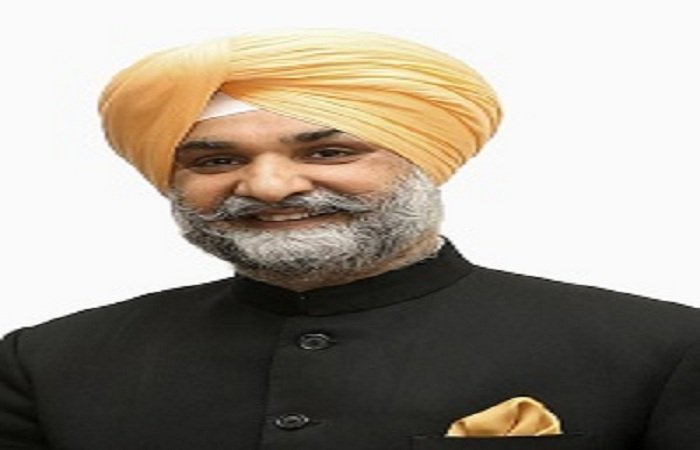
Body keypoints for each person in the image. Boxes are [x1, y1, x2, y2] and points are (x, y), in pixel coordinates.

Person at [1, 29, 698, 450]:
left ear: (427, 160)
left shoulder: (661, 350)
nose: (269, 186)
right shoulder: (49, 363)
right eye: (216, 160)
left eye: (329, 153)